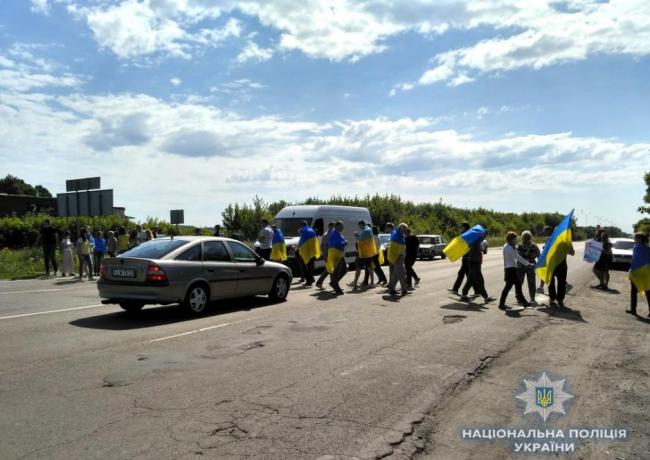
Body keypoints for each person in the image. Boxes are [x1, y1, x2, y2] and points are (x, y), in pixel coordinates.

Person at [499, 232, 533, 310]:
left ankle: (524, 303)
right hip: (511, 270)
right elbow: (517, 257)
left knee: (513, 287)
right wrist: (528, 264)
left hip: (508, 269)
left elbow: (516, 256)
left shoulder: (506, 246)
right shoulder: (510, 248)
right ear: (511, 239)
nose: (516, 241)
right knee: (513, 287)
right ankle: (524, 303)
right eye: (515, 239)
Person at [460, 229, 493, 304]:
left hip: (474, 262)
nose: (484, 236)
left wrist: (482, 249)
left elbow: (479, 249)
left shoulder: (476, 241)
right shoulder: (476, 240)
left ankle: (463, 295)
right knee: (480, 280)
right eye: (483, 235)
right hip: (474, 263)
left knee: (471, 280)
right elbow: (478, 243)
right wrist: (484, 233)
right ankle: (486, 297)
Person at [548, 238, 575, 309]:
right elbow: (546, 251)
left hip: (561, 265)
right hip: (554, 265)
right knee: (552, 282)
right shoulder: (551, 239)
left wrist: (569, 245)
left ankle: (559, 299)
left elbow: (572, 253)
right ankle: (553, 297)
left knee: (561, 283)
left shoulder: (566, 242)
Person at [628, 232, 650, 317]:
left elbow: (635, 261)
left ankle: (633, 310)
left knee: (633, 292)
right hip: (647, 272)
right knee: (648, 292)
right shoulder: (648, 247)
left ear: (640, 239)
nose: (634, 239)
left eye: (635, 237)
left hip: (637, 272)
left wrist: (631, 271)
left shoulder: (637, 248)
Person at [517, 230, 540, 303]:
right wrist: (539, 264)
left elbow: (516, 256)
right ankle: (532, 297)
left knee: (519, 282)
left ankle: (518, 297)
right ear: (530, 237)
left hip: (521, 266)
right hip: (531, 266)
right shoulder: (534, 246)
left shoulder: (519, 246)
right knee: (531, 282)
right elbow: (539, 255)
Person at [352, 221, 375, 289]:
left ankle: (355, 283)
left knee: (358, 268)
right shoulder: (369, 229)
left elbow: (360, 240)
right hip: (368, 253)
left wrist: (356, 235)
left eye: (359, 226)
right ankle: (372, 282)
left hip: (363, 253)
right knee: (369, 267)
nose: (359, 227)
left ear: (361, 224)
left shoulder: (365, 230)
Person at [387, 223, 409, 296]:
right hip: (397, 257)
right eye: (405, 229)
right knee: (402, 274)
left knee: (396, 274)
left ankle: (392, 289)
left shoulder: (398, 235)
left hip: (397, 257)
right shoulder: (398, 235)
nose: (406, 230)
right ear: (401, 229)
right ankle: (404, 290)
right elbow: (396, 248)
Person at [449, 222, 471, 295]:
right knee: (468, 274)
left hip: (466, 256)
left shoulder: (465, 233)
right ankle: (477, 290)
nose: (461, 228)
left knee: (461, 273)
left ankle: (455, 289)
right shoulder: (470, 233)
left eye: (462, 226)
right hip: (467, 256)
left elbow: (460, 242)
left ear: (464, 227)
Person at [327, 221, 348, 295]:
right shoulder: (335, 234)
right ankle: (335, 286)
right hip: (336, 255)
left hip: (339, 255)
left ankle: (334, 283)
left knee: (344, 270)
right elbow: (338, 245)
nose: (343, 227)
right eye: (341, 226)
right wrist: (344, 243)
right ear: (337, 226)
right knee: (336, 272)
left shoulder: (337, 233)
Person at [297, 221, 320, 285]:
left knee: (306, 267)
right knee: (310, 267)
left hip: (306, 252)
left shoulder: (304, 231)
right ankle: (311, 279)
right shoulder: (311, 230)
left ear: (302, 225)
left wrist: (298, 247)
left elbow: (301, 242)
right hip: (312, 252)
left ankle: (309, 281)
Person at [316, 222, 335, 288]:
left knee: (329, 269)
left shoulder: (332, 234)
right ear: (329, 227)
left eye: (333, 227)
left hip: (331, 254)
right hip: (328, 254)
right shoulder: (327, 235)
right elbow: (323, 246)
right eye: (332, 227)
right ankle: (333, 284)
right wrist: (325, 255)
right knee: (330, 269)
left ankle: (320, 282)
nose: (333, 228)